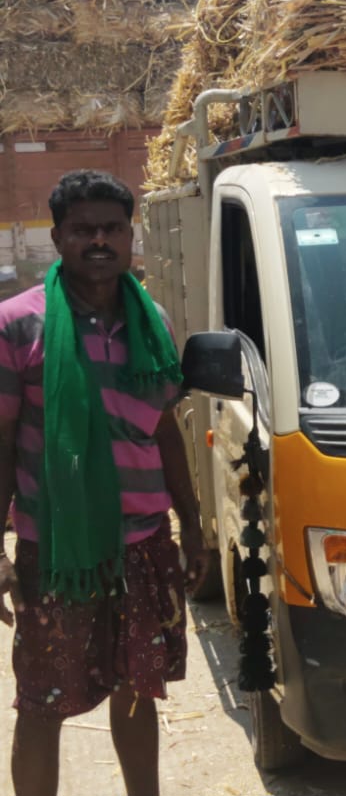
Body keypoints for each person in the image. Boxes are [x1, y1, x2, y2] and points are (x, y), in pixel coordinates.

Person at [0, 169, 209, 796]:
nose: (99, 240)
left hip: (145, 544)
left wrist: (193, 523)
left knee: (137, 688)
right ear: (59, 237)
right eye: (83, 229)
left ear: (129, 235)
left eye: (112, 228)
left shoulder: (152, 323)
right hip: (57, 551)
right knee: (44, 702)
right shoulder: (18, 326)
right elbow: (1, 442)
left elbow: (166, 430)